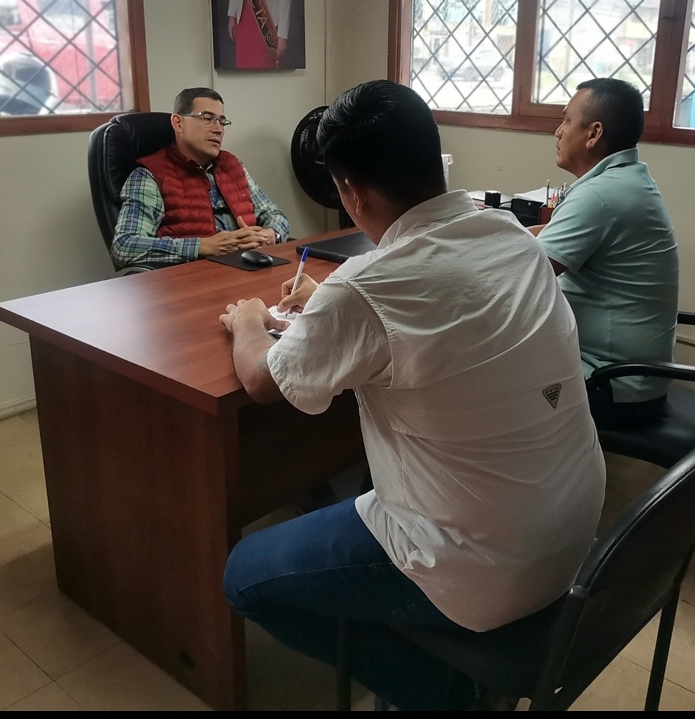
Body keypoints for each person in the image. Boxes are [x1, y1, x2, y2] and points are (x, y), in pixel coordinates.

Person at [218, 80, 605, 710]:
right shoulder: (510, 234)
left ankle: (440, 694)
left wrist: (248, 322)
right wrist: (331, 307)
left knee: (243, 577)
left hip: (480, 566)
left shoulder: (363, 286)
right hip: (573, 532)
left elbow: (263, 381)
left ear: (352, 192)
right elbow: (442, 311)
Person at [536, 77, 680, 428]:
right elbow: (545, 239)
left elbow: (524, 274)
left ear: (594, 133)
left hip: (610, 383)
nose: (558, 131)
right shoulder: (625, 180)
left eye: (566, 120)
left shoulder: (600, 196)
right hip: (629, 375)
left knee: (483, 377)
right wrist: (492, 230)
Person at [110, 87, 289, 269]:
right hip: (196, 277)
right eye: (207, 118)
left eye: (222, 122)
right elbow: (124, 246)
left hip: (250, 269)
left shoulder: (232, 165)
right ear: (178, 123)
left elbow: (275, 215)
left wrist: (270, 234)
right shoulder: (150, 175)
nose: (218, 129)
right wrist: (202, 247)